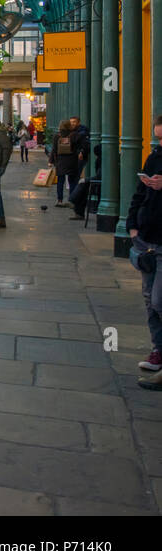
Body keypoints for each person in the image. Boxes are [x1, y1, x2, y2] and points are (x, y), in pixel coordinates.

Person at [128, 115, 162, 388]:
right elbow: (140, 191)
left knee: (160, 299)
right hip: (146, 237)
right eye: (158, 137)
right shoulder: (154, 157)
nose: (160, 142)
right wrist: (131, 225)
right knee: (150, 298)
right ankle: (158, 351)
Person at [49, 118, 89, 207]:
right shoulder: (74, 135)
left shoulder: (57, 136)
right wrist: (81, 152)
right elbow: (82, 145)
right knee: (72, 181)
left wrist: (51, 161)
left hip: (60, 161)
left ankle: (59, 200)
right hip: (72, 160)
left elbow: (54, 150)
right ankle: (71, 200)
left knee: (60, 181)